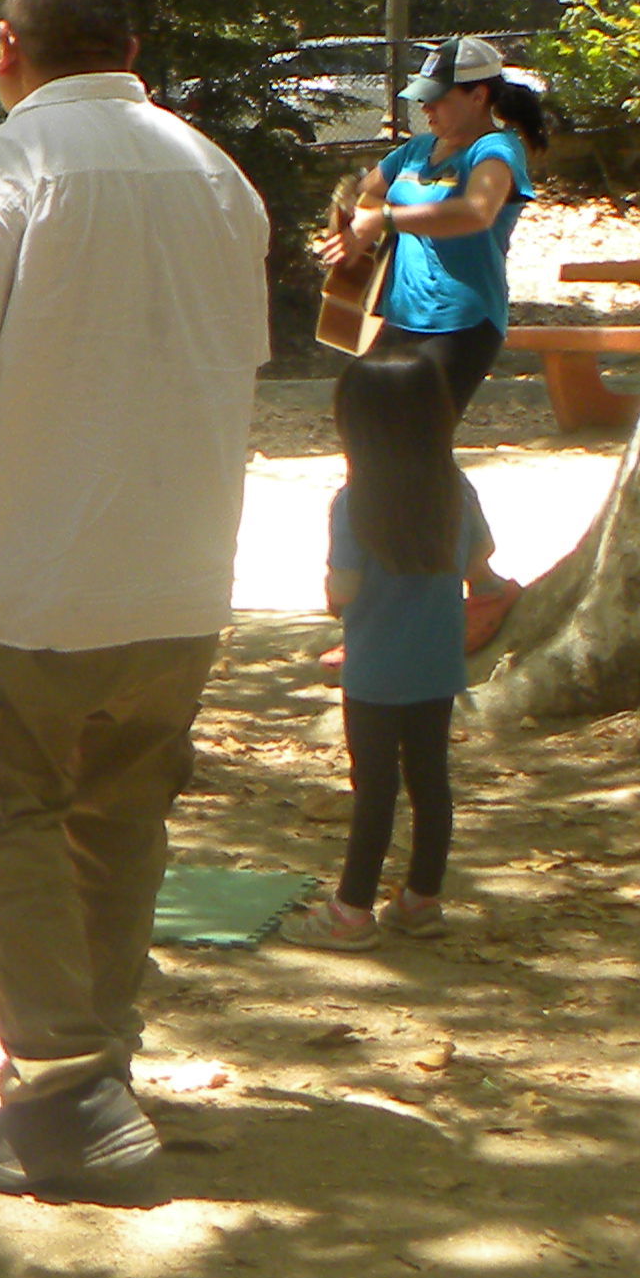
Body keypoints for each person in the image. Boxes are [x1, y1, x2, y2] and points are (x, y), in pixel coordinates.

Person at [0, 0, 269, 1205]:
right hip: (181, 579)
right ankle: (100, 1059)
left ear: (5, 47)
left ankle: (67, 1091)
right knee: (120, 818)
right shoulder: (218, 177)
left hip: (29, 580)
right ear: (129, 50)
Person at [282, 348, 491, 949]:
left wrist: (333, 597)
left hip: (375, 670)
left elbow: (343, 590)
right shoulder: (457, 489)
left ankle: (351, 911)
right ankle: (421, 900)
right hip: (438, 664)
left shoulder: (354, 502)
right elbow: (481, 565)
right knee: (431, 781)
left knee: (374, 787)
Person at [323, 35, 548, 419]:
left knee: (418, 432)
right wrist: (349, 222)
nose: (425, 107)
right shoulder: (414, 151)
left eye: (437, 98)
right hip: (400, 315)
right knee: (366, 420)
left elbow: (477, 212)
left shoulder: (495, 150)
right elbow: (363, 195)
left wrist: (385, 219)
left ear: (478, 97)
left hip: (461, 322)